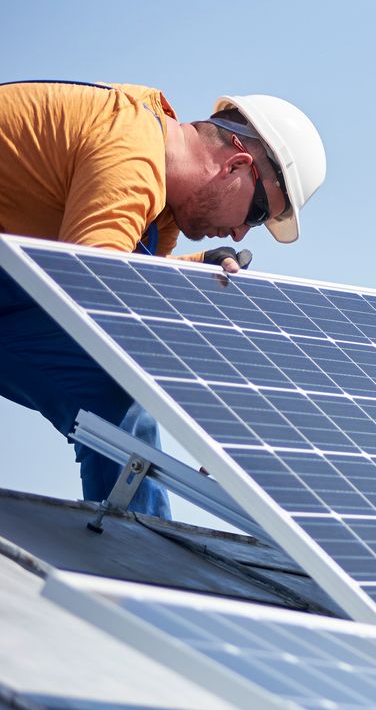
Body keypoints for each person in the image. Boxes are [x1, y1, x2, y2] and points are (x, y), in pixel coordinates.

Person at [0, 80, 327, 517]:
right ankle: (135, 555)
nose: (240, 234)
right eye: (256, 214)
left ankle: (132, 555)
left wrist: (191, 277)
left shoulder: (161, 209)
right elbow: (90, 292)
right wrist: (218, 413)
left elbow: (123, 284)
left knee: (113, 393)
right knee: (118, 375)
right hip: (27, 284)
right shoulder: (132, 146)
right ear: (237, 165)